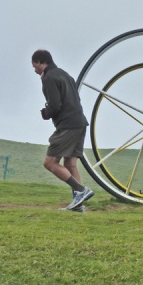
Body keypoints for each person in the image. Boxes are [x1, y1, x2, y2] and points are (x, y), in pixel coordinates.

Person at [31, 49, 93, 212]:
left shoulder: (49, 77)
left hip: (67, 126)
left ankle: (80, 191)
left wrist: (46, 113)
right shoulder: (65, 74)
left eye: (34, 66)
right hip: (80, 122)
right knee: (71, 164)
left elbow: (55, 105)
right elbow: (76, 99)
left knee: (50, 162)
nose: (34, 70)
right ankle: (78, 205)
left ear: (39, 62)